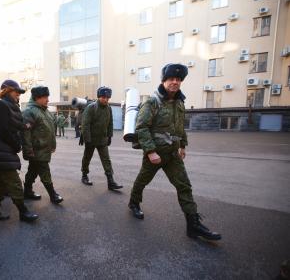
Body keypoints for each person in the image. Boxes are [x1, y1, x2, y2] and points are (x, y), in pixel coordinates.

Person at [127, 63, 221, 241]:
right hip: (155, 155)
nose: (175, 82)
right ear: (164, 80)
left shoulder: (179, 102)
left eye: (178, 79)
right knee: (142, 180)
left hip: (172, 154)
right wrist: (150, 152)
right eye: (171, 79)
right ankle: (134, 202)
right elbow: (142, 128)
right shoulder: (152, 102)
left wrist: (182, 145)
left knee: (184, 186)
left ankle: (193, 225)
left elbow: (180, 127)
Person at [0, 79, 38, 222]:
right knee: (14, 182)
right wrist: (15, 144)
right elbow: (1, 129)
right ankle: (23, 211)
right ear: (7, 91)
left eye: (20, 93)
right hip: (1, 149)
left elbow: (14, 123)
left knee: (1, 183)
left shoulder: (10, 105)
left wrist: (25, 126)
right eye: (17, 92)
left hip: (5, 149)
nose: (18, 95)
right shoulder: (1, 104)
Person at [22, 86, 63, 204]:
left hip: (45, 148)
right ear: (37, 98)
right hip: (37, 150)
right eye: (45, 97)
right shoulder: (29, 112)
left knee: (33, 171)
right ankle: (52, 194)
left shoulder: (45, 111)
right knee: (44, 171)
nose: (47, 100)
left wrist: (53, 145)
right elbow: (26, 134)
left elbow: (51, 130)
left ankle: (27, 191)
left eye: (47, 97)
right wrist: (29, 151)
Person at [80, 86, 122, 191]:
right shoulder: (91, 107)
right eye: (103, 97)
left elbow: (110, 123)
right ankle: (84, 175)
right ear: (99, 97)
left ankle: (110, 181)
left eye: (107, 98)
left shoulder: (109, 108)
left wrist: (110, 136)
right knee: (87, 158)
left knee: (106, 160)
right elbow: (85, 124)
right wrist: (87, 139)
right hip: (91, 139)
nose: (106, 99)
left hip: (102, 139)